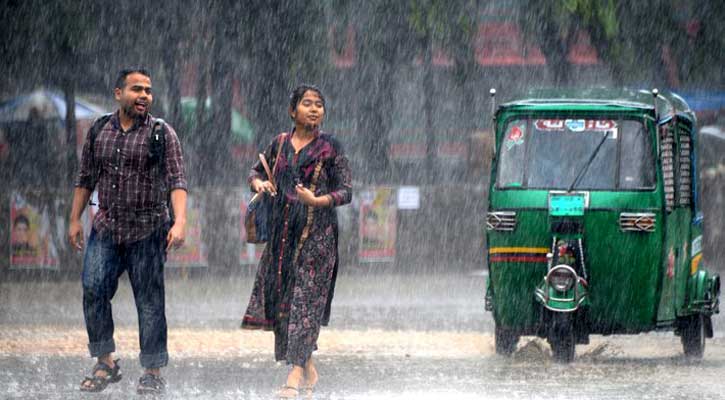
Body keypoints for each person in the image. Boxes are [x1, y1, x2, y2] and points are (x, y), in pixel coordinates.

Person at [68, 68, 188, 395]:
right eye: (137, 89)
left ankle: (152, 371)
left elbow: (178, 181)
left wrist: (180, 222)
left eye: (148, 90)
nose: (144, 96)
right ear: (117, 93)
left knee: (149, 302)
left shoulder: (162, 133)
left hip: (148, 230)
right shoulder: (98, 131)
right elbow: (85, 178)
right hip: (106, 227)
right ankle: (106, 361)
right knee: (93, 289)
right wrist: (74, 219)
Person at [241, 84, 352, 398]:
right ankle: (308, 366)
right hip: (281, 239)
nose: (314, 109)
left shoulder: (331, 147)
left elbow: (347, 190)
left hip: (318, 240)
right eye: (307, 103)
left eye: (319, 104)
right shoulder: (278, 143)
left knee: (305, 305)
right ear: (293, 111)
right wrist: (260, 183)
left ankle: (292, 377)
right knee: (282, 306)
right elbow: (253, 172)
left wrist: (317, 200)